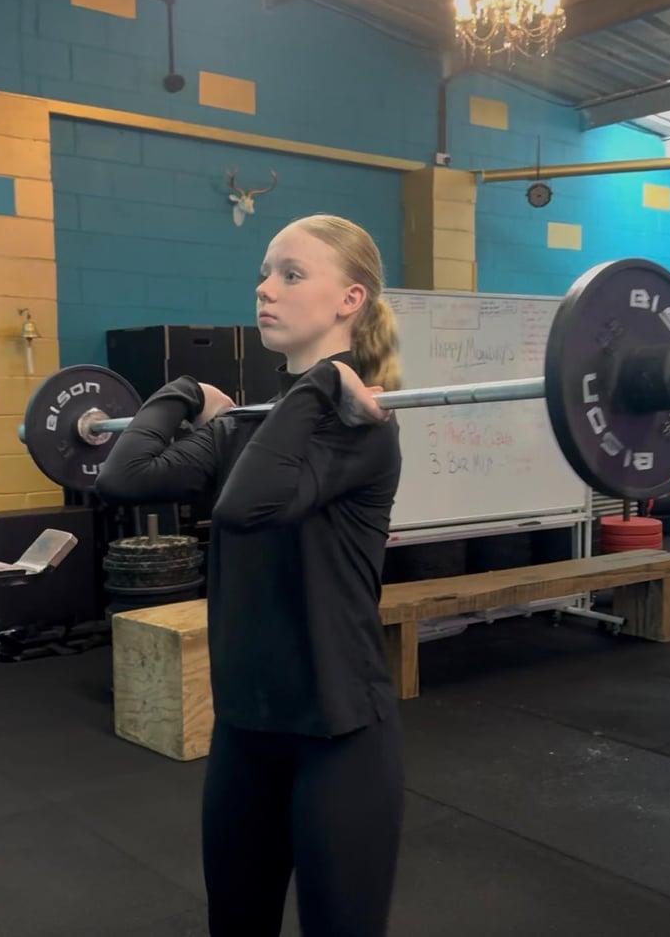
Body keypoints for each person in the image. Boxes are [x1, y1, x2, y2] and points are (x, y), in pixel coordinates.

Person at [95, 214, 405, 937]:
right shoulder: (247, 426)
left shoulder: (362, 430)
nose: (265, 289)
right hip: (245, 731)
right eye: (264, 273)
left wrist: (326, 379)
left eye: (291, 274)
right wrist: (184, 391)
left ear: (348, 299)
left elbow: (243, 505)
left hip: (340, 734)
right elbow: (123, 473)